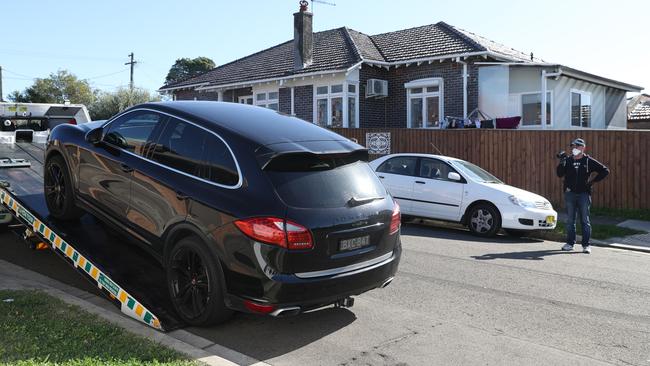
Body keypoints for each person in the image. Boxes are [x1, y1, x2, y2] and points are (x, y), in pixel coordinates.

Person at [556, 138, 609, 254]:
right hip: (570, 194)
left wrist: (593, 182)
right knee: (570, 221)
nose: (573, 149)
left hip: (584, 195)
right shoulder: (568, 160)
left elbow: (605, 170)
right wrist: (561, 161)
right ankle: (570, 243)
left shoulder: (588, 161)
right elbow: (559, 174)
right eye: (572, 146)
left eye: (576, 146)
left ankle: (586, 245)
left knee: (585, 220)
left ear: (582, 148)